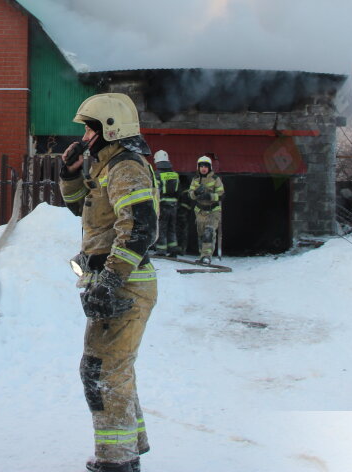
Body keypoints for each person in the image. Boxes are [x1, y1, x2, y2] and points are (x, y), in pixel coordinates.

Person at [59, 92, 158, 472]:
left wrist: (109, 282)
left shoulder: (126, 168)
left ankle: (117, 461)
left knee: (101, 370)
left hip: (126, 283)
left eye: (89, 129)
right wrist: (70, 174)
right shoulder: (107, 166)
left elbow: (139, 229)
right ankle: (129, 448)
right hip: (116, 280)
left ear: (110, 129)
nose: (84, 137)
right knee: (115, 368)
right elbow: (83, 209)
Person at [182, 155, 224, 264]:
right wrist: (195, 193)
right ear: (198, 167)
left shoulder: (215, 179)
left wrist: (209, 196)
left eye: (206, 166)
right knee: (201, 234)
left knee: (208, 232)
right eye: (201, 166)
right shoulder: (195, 179)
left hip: (213, 211)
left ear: (210, 167)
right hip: (200, 211)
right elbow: (190, 195)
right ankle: (202, 255)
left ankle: (206, 256)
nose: (203, 168)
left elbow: (221, 195)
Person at [151, 150, 183, 257]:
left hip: (162, 204)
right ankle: (173, 249)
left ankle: (161, 250)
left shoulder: (157, 175)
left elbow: (156, 191)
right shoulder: (175, 175)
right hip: (174, 205)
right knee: (172, 227)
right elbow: (179, 191)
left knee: (161, 227)